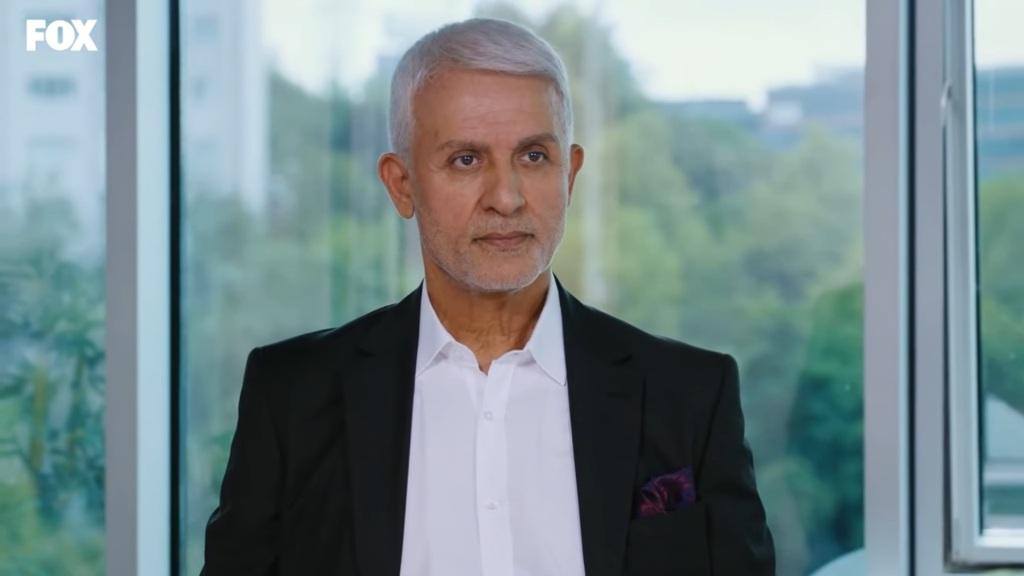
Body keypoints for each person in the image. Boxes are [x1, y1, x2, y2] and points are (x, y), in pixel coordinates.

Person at [202, 17, 774, 576]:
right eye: (466, 160)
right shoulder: (294, 397)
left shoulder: (690, 397)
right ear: (401, 184)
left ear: (570, 175)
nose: (507, 197)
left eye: (533, 156)